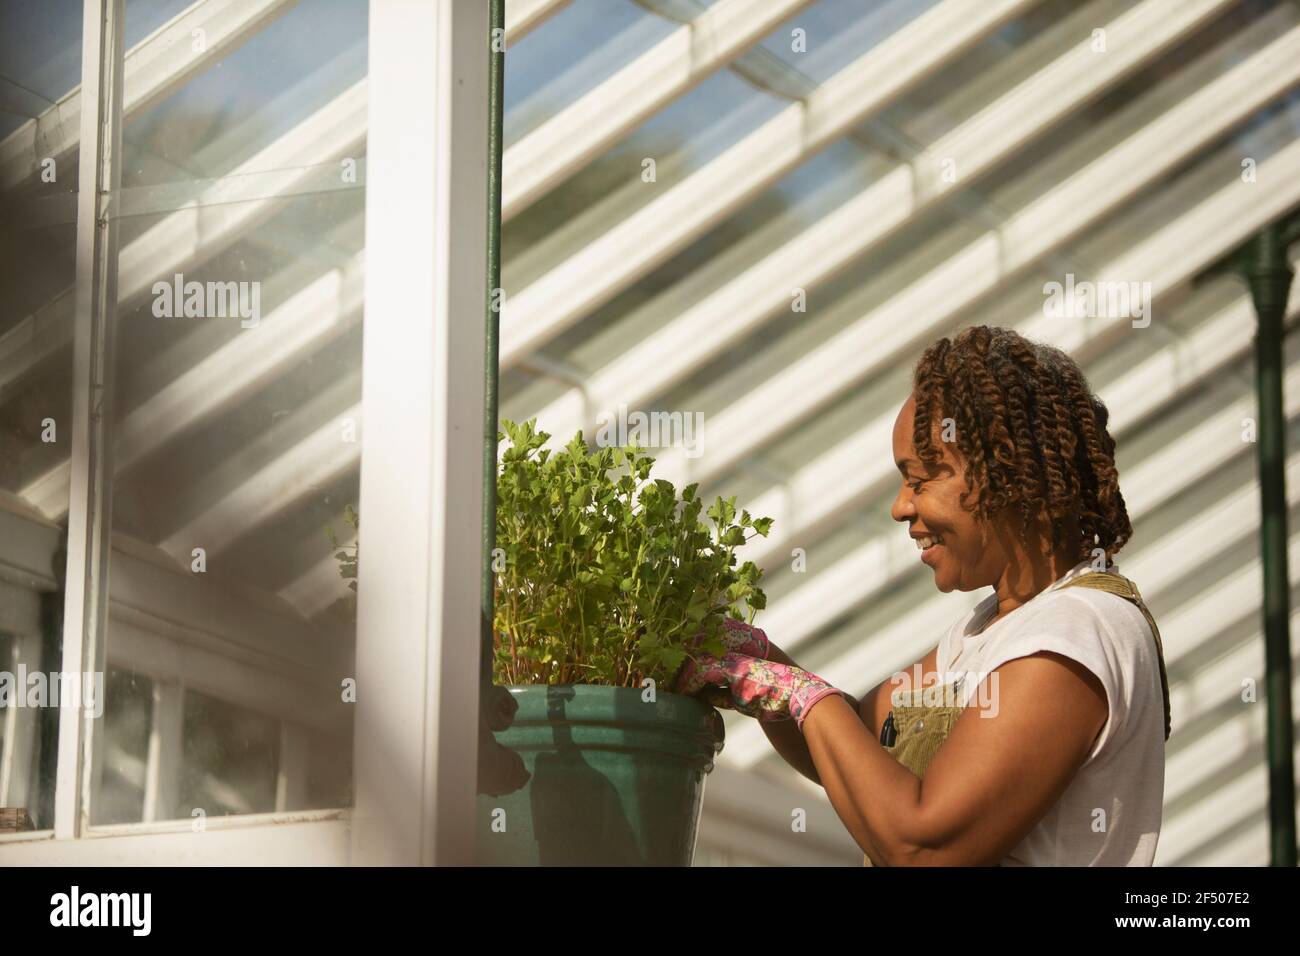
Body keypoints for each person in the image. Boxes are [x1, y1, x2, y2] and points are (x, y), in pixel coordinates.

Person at [676, 325, 1170, 866]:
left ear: (1002, 472)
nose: (900, 507)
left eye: (920, 479)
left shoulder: (1078, 631)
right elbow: (860, 747)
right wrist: (758, 659)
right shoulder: (988, 628)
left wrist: (796, 694)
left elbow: (925, 845)